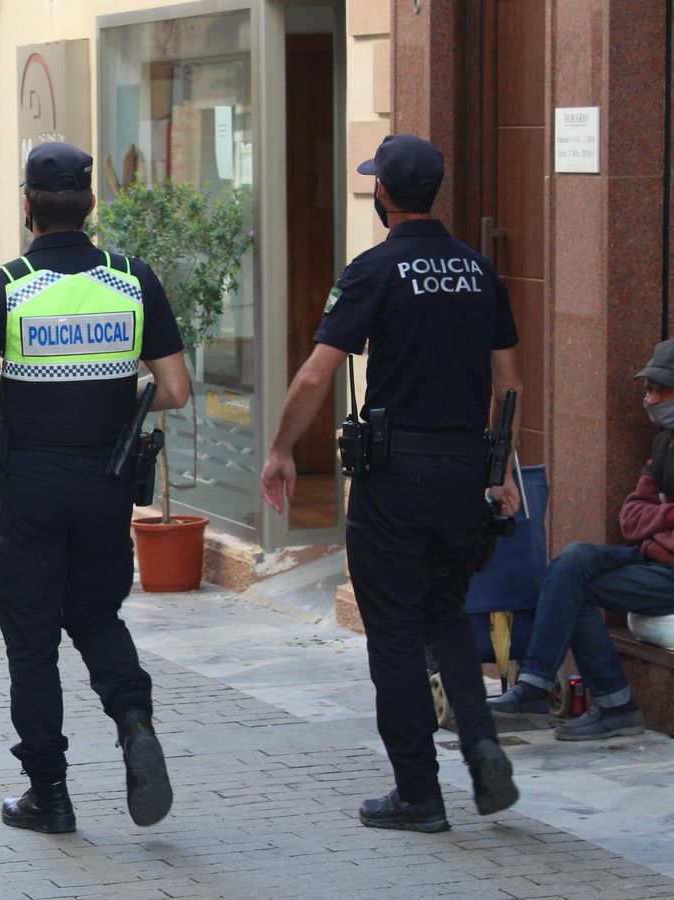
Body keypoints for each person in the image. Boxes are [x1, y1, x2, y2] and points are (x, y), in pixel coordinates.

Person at [260, 134, 522, 833]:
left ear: (382, 193)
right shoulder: (479, 271)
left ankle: (418, 792)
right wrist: (503, 473)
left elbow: (316, 375)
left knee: (395, 631)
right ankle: (483, 747)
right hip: (463, 475)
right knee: (446, 614)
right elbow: (509, 385)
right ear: (434, 192)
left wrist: (281, 449)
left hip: (395, 477)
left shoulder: (373, 270)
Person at [0, 142, 191, 834]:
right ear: (90, 205)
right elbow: (174, 389)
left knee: (31, 641)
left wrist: (7, 379)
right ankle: (134, 720)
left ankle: (48, 795)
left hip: (30, 486)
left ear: (28, 206)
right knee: (96, 615)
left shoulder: (4, 288)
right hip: (105, 483)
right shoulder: (133, 279)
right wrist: (112, 389)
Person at [488, 340, 674, 738]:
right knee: (572, 562)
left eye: (663, 390)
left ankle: (611, 704)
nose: (652, 400)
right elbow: (631, 516)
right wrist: (667, 518)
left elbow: (644, 519)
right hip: (653, 558)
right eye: (649, 390)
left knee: (575, 588)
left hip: (667, 568)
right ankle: (538, 685)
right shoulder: (664, 443)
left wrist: (655, 526)